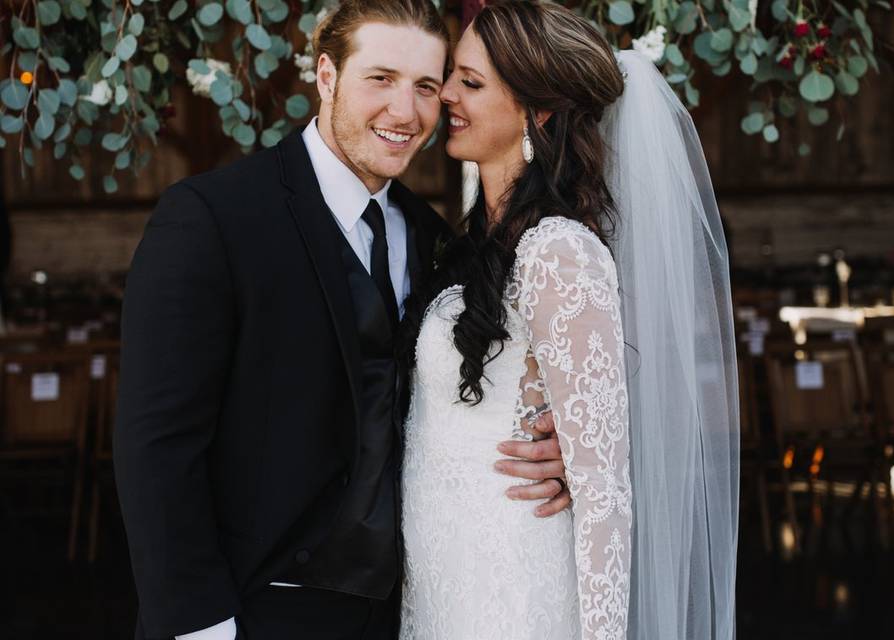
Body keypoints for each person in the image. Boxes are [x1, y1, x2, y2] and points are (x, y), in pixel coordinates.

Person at [113, 2, 570, 639]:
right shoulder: (213, 218)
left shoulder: (432, 235)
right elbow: (156, 444)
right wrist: (197, 623)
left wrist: (569, 447)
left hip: (401, 611)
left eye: (426, 88)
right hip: (251, 607)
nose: (404, 113)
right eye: (379, 79)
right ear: (326, 76)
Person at [398, 2, 740, 639]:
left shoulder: (560, 252)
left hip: (515, 591)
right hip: (446, 583)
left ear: (540, 110)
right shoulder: (476, 240)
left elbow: (605, 494)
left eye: (470, 83)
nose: (444, 94)